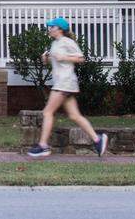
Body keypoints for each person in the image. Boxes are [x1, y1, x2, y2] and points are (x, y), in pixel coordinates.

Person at [26, 17, 108, 158]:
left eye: (52, 27)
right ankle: (97, 139)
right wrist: (46, 59)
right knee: (74, 115)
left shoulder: (67, 42)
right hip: (63, 82)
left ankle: (43, 146)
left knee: (47, 112)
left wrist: (64, 57)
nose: (49, 29)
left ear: (59, 29)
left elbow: (81, 58)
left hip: (65, 82)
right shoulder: (54, 44)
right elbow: (54, 60)